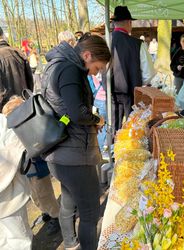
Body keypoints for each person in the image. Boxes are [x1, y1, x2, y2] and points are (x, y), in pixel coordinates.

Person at [41, 33, 111, 250]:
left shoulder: (58, 64)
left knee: (69, 202)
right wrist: (97, 119)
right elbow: (77, 112)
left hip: (61, 152)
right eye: (97, 67)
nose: (96, 72)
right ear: (87, 55)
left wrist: (82, 119)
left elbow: (65, 113)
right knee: (90, 212)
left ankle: (71, 243)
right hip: (72, 155)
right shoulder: (70, 69)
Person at [108, 6, 155, 133]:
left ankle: (113, 148)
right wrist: (138, 80)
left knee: (114, 127)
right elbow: (148, 74)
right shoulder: (137, 44)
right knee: (132, 129)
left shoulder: (105, 41)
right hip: (131, 92)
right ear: (129, 22)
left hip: (110, 91)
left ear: (114, 23)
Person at [0, 96, 32, 250]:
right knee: (18, 239)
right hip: (9, 196)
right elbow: (16, 150)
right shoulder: (3, 123)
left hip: (8, 195)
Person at [0, 26, 33, 111]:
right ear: (2, 35)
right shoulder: (18, 52)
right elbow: (30, 81)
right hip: (24, 104)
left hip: (6, 110)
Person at [26, 157, 61, 235]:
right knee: (34, 195)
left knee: (45, 194)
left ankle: (56, 216)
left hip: (36, 165)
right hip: (23, 170)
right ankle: (46, 211)